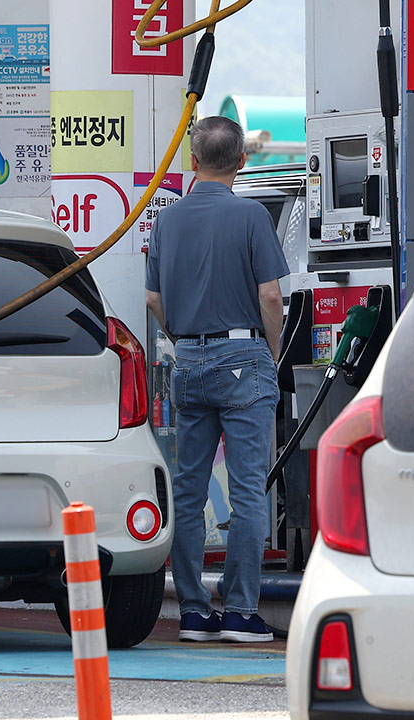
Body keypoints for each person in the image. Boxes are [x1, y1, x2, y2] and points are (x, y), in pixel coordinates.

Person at [145, 116, 289, 643]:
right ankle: (241, 612)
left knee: (188, 488)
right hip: (244, 355)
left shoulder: (167, 220)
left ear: (193, 160)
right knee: (248, 489)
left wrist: (183, 338)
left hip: (187, 359)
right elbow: (270, 296)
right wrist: (270, 351)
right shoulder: (251, 215)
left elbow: (153, 298)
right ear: (242, 162)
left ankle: (193, 611)